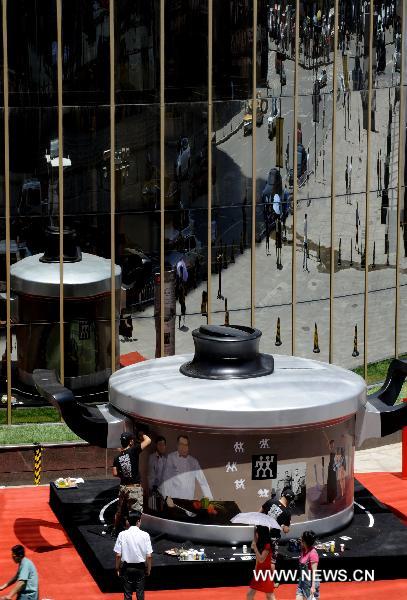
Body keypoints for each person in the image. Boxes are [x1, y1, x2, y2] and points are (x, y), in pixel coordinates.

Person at [113, 431, 152, 535]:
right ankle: (133, 535)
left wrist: (124, 474)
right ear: (130, 442)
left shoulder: (117, 457)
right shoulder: (133, 450)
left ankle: (115, 530)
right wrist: (141, 433)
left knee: (120, 511)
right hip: (134, 488)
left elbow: (115, 473)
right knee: (135, 513)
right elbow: (148, 440)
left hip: (123, 487)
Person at [160, 434, 213, 501]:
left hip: (188, 499)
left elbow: (203, 481)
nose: (184, 447)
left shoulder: (194, 461)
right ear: (177, 445)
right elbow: (166, 479)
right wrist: (167, 497)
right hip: (174, 499)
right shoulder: (171, 458)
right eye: (181, 444)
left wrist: (210, 499)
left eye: (186, 445)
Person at [114, 511, 152, 600]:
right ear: (138, 521)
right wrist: (149, 569)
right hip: (140, 568)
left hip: (126, 568)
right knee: (140, 594)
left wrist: (117, 568)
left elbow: (118, 555)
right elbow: (149, 556)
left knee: (127, 595)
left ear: (128, 521)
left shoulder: (122, 534)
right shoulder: (145, 535)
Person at [247, 526, 276, 600]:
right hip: (258, 573)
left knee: (269, 596)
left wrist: (255, 548)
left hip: (266, 573)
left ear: (261, 533)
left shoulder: (267, 545)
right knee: (249, 594)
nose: (256, 535)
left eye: (257, 533)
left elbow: (261, 559)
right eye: (256, 533)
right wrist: (255, 571)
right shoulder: (259, 544)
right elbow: (257, 561)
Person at [296, 530, 320, 600]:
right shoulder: (303, 550)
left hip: (310, 584)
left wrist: (313, 587)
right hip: (302, 581)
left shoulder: (313, 554)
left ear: (305, 542)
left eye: (301, 538)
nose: (300, 538)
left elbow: (314, 572)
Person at [147, 436, 167, 512]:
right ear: (156, 446)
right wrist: (153, 487)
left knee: (163, 512)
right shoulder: (152, 457)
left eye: (163, 445)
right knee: (153, 511)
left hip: (163, 491)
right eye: (159, 445)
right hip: (154, 490)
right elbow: (151, 474)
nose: (161, 447)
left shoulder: (165, 459)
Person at [326, 439, 337, 503]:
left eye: (334, 443)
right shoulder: (331, 449)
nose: (333, 444)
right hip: (331, 466)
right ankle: (330, 498)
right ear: (331, 444)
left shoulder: (333, 449)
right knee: (330, 481)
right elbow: (329, 449)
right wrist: (328, 445)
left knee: (333, 481)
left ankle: (333, 497)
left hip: (333, 465)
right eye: (332, 443)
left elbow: (331, 450)